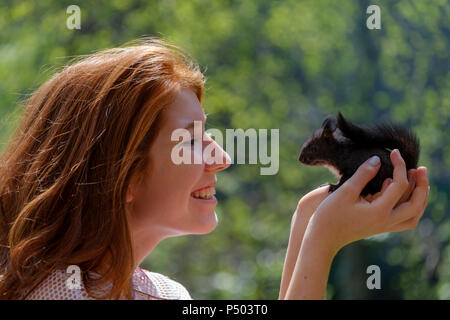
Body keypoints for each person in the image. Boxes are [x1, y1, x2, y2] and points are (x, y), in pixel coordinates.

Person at [0, 38, 429, 300]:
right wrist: (320, 243)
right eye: (191, 141)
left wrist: (307, 224)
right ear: (124, 176)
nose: (222, 157)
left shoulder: (165, 294)